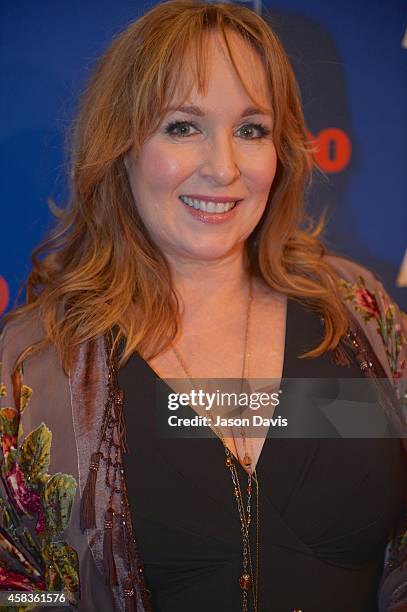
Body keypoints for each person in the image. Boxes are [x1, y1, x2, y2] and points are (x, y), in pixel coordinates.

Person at [0, 1, 406, 610]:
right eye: (182, 126)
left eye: (251, 130)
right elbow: (22, 596)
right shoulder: (34, 366)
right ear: (122, 147)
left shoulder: (358, 314)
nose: (224, 168)